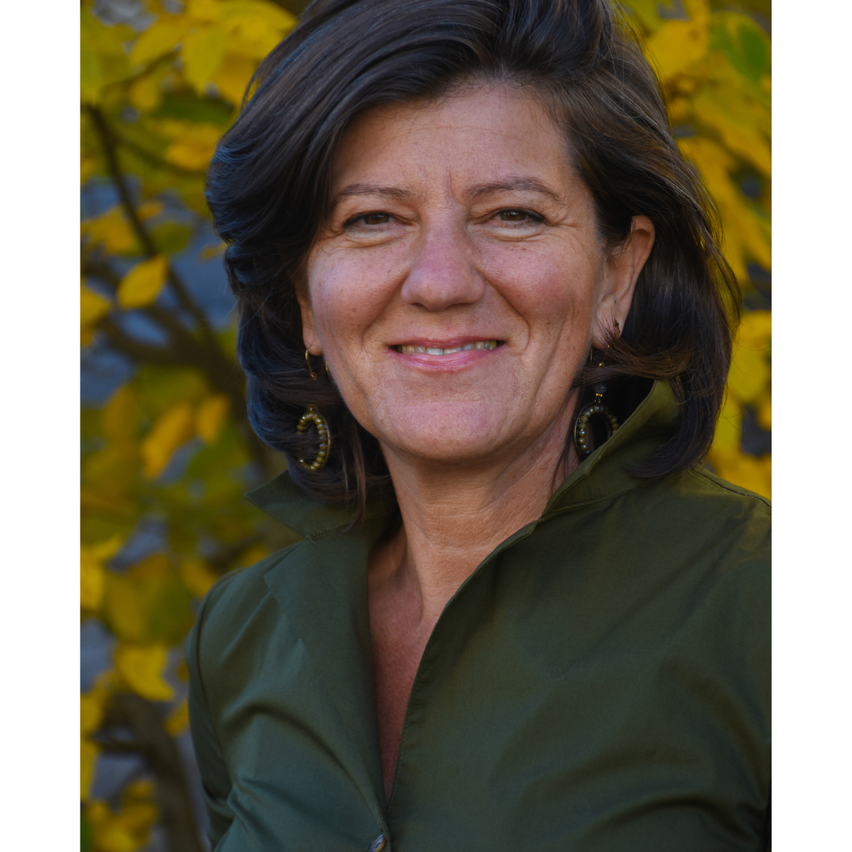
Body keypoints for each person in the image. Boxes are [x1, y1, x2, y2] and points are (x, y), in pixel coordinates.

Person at [187, 0, 770, 849]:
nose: (441, 281)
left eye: (513, 214)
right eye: (372, 220)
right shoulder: (243, 633)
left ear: (619, 273)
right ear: (304, 300)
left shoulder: (780, 608)